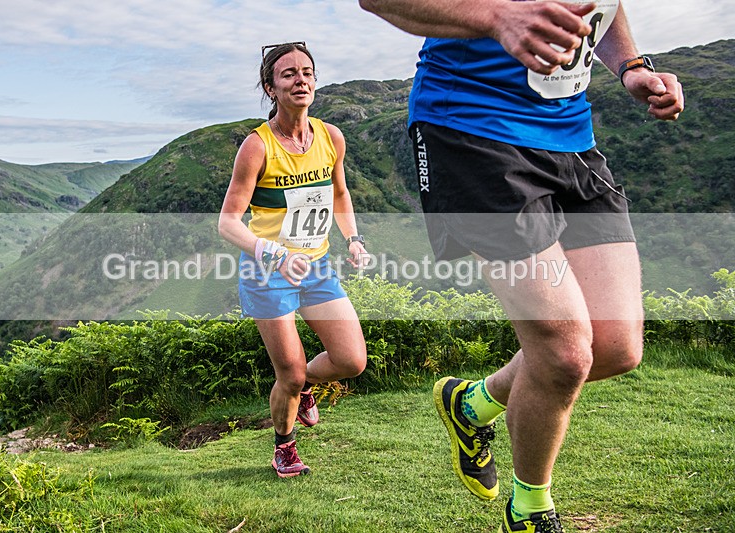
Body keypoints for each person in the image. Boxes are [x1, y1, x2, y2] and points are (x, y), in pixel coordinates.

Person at [360, 1, 684, 531]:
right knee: (565, 353)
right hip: (471, 129)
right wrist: (495, 17)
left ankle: (472, 403)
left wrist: (631, 67)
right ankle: (530, 509)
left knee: (617, 347)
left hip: (571, 138)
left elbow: (603, 7)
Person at [218, 42, 368, 478]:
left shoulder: (330, 137)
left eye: (307, 72)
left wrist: (353, 239)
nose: (300, 80)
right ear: (271, 88)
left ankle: (306, 390)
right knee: (290, 372)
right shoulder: (257, 147)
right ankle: (284, 445)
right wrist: (276, 254)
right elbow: (228, 223)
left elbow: (339, 195)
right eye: (288, 75)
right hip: (268, 271)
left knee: (351, 360)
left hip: (317, 267)